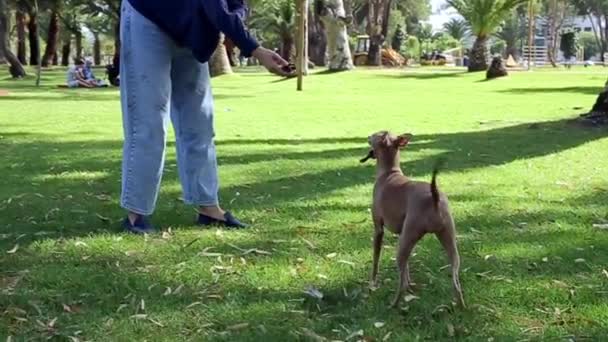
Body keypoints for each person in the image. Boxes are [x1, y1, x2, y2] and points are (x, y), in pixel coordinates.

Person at [119, 0, 293, 234]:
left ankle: (209, 209)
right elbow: (215, 4)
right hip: (148, 16)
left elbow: (233, 6)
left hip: (192, 27)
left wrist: (232, 21)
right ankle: (135, 215)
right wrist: (255, 49)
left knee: (199, 122)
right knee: (148, 120)